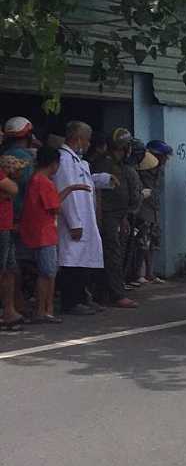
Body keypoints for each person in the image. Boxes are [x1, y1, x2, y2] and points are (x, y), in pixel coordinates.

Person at [18, 146, 90, 325]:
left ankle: (45, 309)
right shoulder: (44, 182)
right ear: (54, 164)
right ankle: (43, 310)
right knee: (48, 273)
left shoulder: (36, 180)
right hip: (44, 232)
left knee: (47, 272)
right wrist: (71, 190)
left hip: (38, 231)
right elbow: (55, 206)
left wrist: (71, 188)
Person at [56, 122, 111, 315]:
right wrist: (74, 223)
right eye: (87, 140)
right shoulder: (64, 161)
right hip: (74, 221)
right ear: (78, 139)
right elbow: (66, 193)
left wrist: (102, 179)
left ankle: (82, 299)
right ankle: (70, 302)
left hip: (84, 219)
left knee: (82, 262)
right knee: (71, 263)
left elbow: (84, 183)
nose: (88, 145)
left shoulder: (78, 161)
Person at [89, 130, 140, 308]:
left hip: (117, 216)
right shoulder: (104, 165)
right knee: (113, 256)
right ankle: (116, 294)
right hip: (107, 217)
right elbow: (100, 194)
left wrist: (124, 216)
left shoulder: (118, 165)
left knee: (115, 255)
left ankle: (106, 293)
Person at [134, 140, 171, 285]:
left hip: (153, 209)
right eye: (164, 156)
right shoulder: (142, 170)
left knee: (152, 242)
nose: (166, 159)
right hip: (143, 209)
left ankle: (150, 273)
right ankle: (138, 274)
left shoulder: (158, 170)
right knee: (141, 242)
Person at [0, 154, 23, 329]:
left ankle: (9, 311)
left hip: (6, 226)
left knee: (9, 269)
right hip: (1, 227)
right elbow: (12, 189)